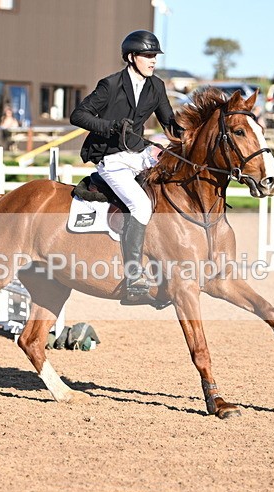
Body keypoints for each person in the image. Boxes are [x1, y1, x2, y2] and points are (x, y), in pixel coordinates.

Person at [70, 30, 184, 305]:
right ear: (131, 57)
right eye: (148, 55)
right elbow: (78, 115)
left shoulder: (156, 86)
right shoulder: (110, 85)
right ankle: (133, 278)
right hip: (110, 157)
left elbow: (169, 123)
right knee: (142, 206)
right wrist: (109, 127)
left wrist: (192, 134)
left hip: (137, 154)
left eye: (155, 56)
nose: (153, 60)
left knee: (166, 193)